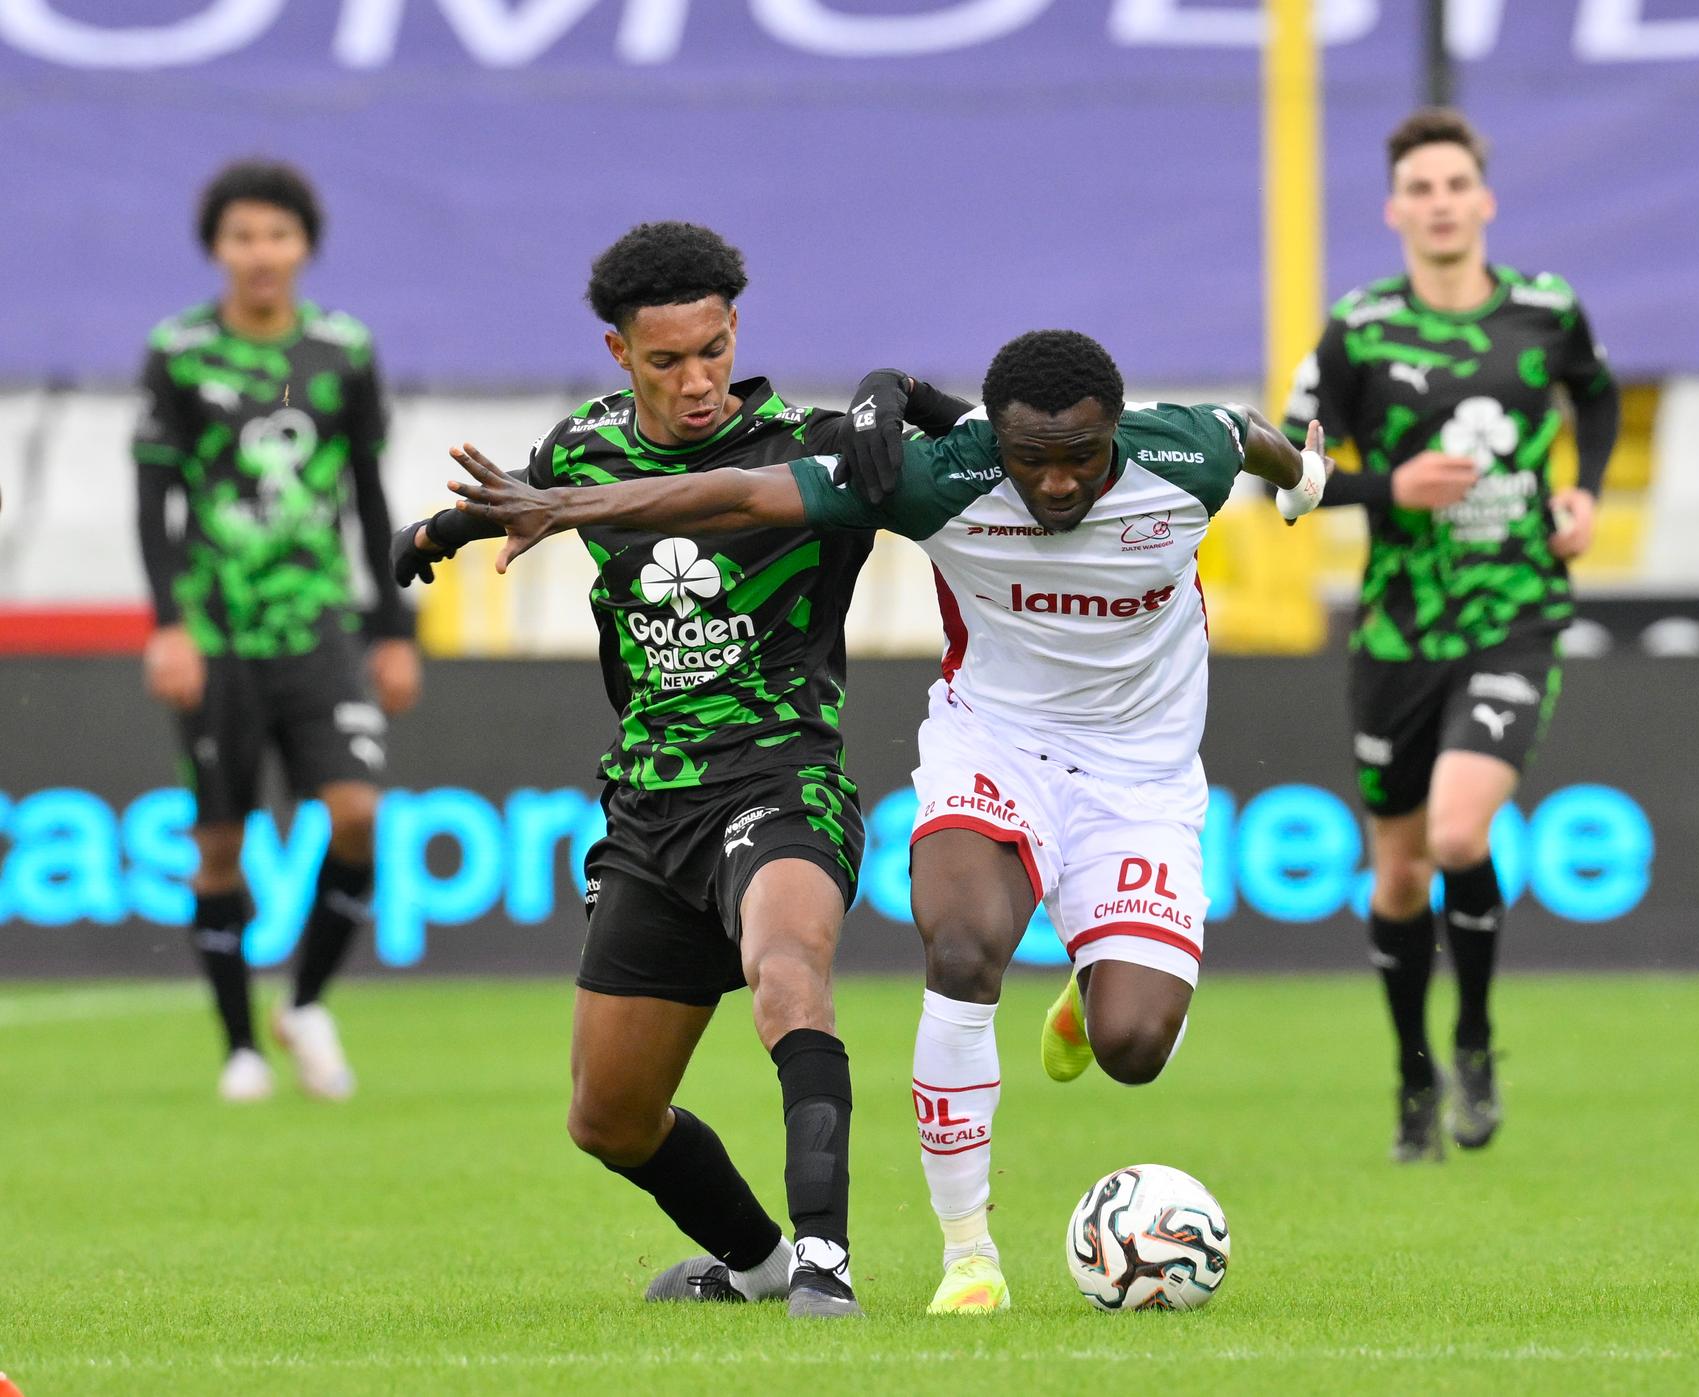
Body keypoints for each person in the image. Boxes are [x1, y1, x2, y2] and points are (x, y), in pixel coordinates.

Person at [440, 327, 1327, 1315]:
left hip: (1142, 779)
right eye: (1034, 462)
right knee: (959, 948)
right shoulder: (941, 479)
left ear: (1118, 432)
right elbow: (734, 493)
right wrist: (562, 507)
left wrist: (1308, 475)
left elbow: (1257, 438)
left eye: (1084, 457)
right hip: (996, 745)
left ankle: (1093, 975)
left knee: (1133, 1045)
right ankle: (969, 1256)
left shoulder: (1183, 453)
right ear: (999, 445)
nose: (1062, 484)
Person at [391, 220, 970, 1319]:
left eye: (713, 348)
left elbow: (990, 456)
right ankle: (755, 1263)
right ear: (620, 355)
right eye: (667, 360)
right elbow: (529, 494)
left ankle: (827, 1262)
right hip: (652, 811)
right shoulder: (589, 445)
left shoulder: (814, 446)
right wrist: (433, 533)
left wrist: (902, 394)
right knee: (606, 1116)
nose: (697, 379)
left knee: (789, 972)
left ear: (735, 327)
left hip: (783, 779)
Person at [1281, 108, 1620, 1162]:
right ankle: (1413, 1077)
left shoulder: (1546, 309)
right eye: (1419, 189)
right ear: (1395, 210)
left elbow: (1596, 395)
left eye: (1454, 186)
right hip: (1399, 631)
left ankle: (1473, 1036)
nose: (1439, 204)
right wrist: (1392, 486)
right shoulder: (1357, 329)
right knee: (1395, 877)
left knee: (1460, 834)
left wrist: (1584, 493)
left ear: (1484, 200)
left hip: (1515, 611)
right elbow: (1291, 479)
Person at [134, 159, 419, 1104]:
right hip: (216, 635)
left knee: (358, 814)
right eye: (242, 236)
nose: (261, 254)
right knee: (219, 844)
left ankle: (300, 1003)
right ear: (217, 247)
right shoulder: (178, 351)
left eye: (278, 235)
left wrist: (392, 626)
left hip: (318, 627)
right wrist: (170, 626)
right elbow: (155, 503)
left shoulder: (342, 351)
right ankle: (238, 1049)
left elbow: (368, 497)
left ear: (304, 245)